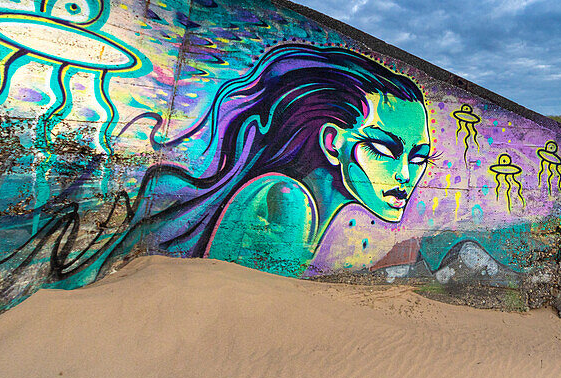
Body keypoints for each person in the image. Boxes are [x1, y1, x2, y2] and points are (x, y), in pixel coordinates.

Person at [118, 44, 433, 277]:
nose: (405, 174)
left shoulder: (299, 199)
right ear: (332, 142)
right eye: (383, 151)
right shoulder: (286, 199)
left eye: (419, 157)